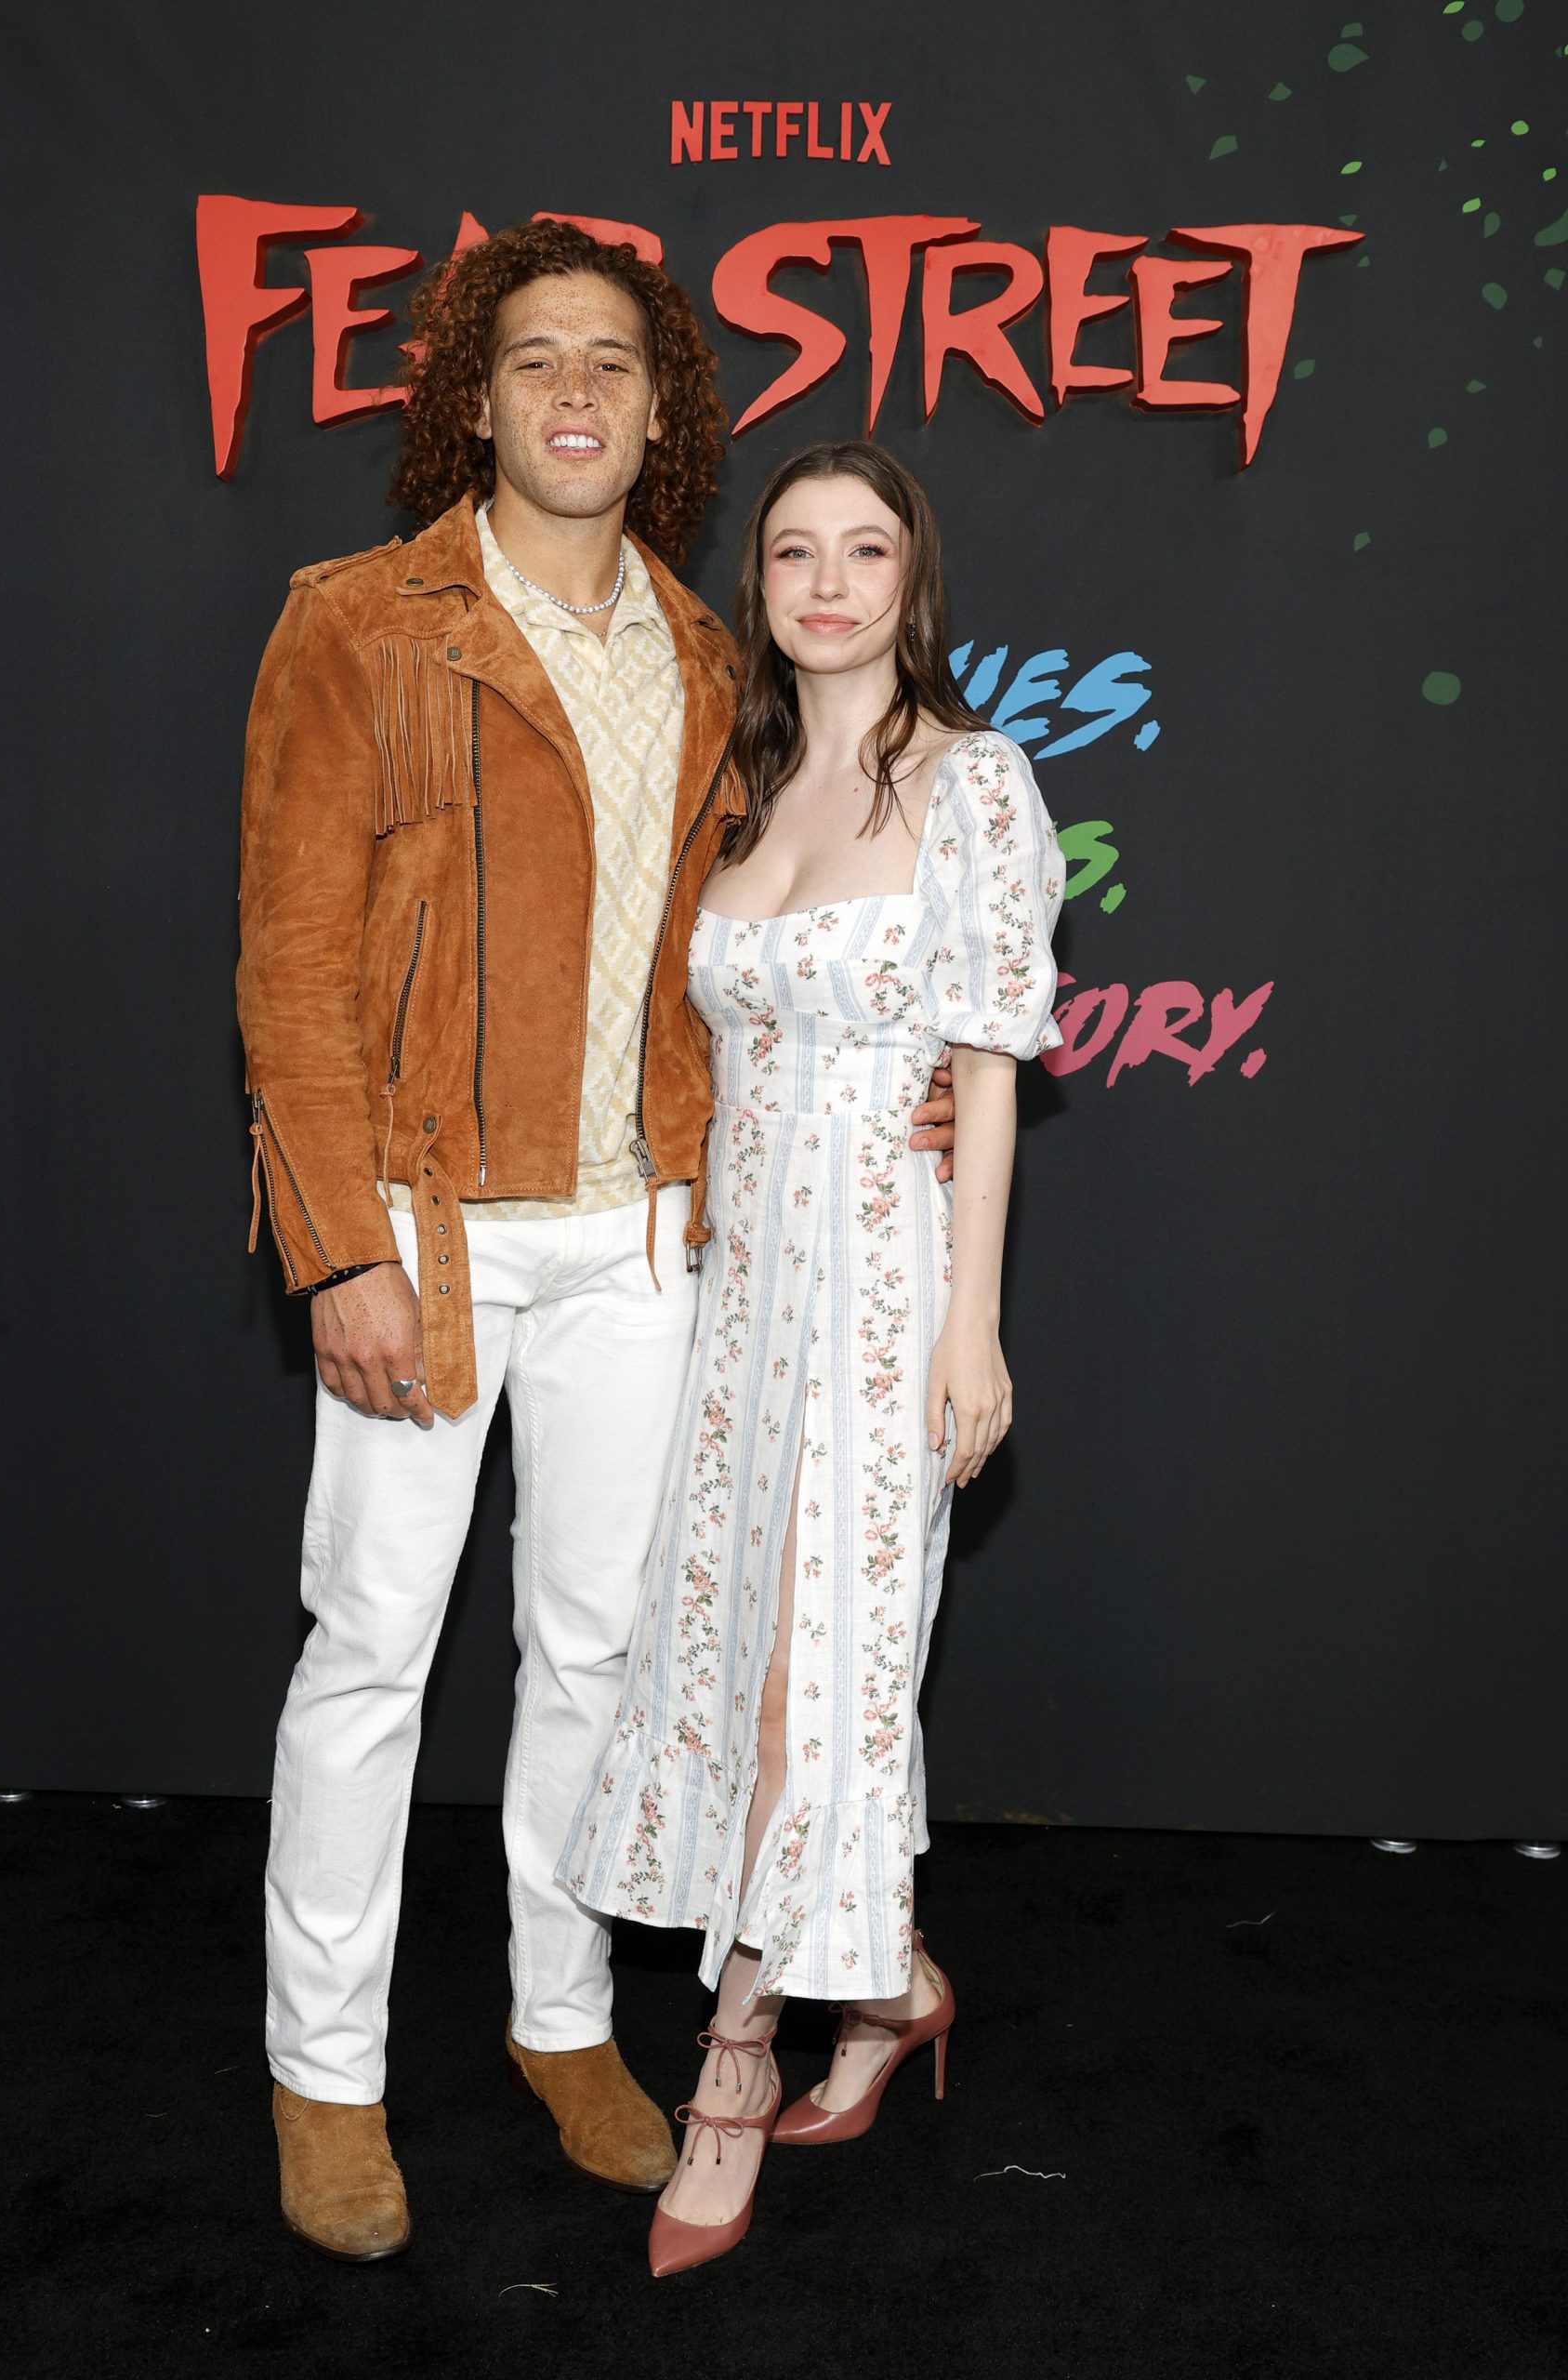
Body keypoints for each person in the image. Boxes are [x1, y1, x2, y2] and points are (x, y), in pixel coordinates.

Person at [236, 226, 957, 2260]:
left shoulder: (713, 659)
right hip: (425, 1226)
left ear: (661, 414)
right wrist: (337, 1247)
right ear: (476, 399)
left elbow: (768, 950)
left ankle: (562, 2023)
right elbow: (289, 967)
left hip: (649, 1240)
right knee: (370, 1655)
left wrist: (899, 1083)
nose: (575, 389)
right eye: (536, 356)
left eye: (614, 362)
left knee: (599, 1659)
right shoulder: (358, 621)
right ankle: (324, 2071)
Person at [560, 441, 1066, 2276]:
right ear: (758, 582)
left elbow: (984, 1077)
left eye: (865, 550)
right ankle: (896, 1983)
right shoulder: (743, 779)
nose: (829, 583)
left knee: (814, 1680)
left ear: (911, 580)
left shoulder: (974, 779)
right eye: (793, 552)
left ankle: (732, 2062)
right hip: (739, 1297)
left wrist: (971, 1327)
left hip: (884, 1286)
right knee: (736, 1651)